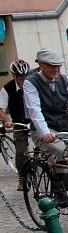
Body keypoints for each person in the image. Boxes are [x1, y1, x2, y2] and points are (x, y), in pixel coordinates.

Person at [23, 49, 68, 207]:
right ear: (41, 65)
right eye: (51, 66)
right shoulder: (31, 82)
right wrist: (45, 133)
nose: (56, 70)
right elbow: (35, 111)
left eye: (58, 66)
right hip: (43, 129)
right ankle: (59, 191)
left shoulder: (64, 80)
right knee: (61, 151)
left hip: (64, 128)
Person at [0, 60, 31, 190]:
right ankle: (22, 178)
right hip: (19, 122)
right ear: (14, 75)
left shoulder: (33, 85)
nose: (23, 79)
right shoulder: (7, 89)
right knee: (21, 151)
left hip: (35, 121)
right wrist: (6, 120)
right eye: (20, 76)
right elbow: (1, 108)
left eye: (25, 76)